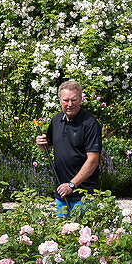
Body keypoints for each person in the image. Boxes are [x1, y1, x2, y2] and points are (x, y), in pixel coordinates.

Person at [36, 81, 102, 216]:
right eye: (66, 100)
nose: (70, 104)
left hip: (84, 196)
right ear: (60, 100)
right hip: (62, 194)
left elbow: (93, 160)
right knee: (63, 235)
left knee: (83, 235)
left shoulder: (90, 124)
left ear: (80, 99)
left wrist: (72, 185)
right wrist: (41, 144)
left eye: (74, 100)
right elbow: (47, 146)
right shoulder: (56, 120)